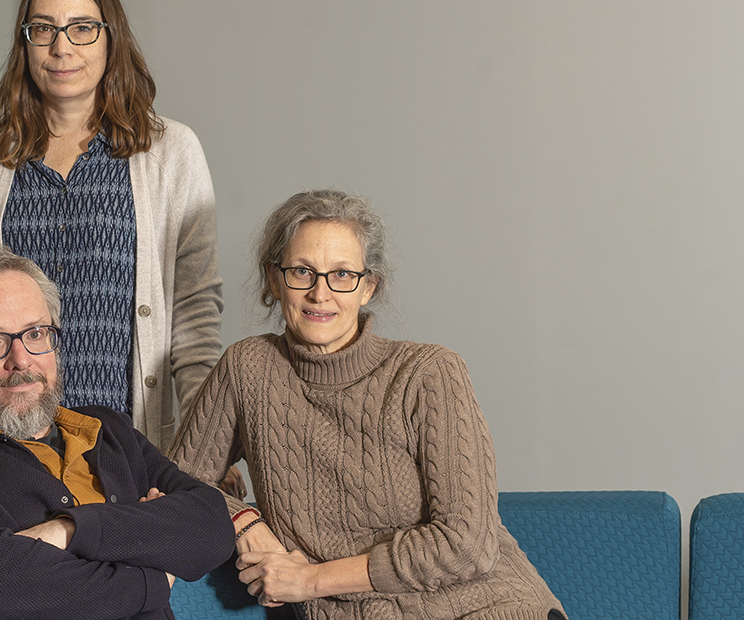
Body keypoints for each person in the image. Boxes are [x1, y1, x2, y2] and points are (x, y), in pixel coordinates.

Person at [169, 190, 566, 620]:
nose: (321, 293)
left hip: (488, 606)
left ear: (369, 287)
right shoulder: (249, 369)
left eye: (342, 275)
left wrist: (310, 580)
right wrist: (244, 520)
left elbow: (466, 545)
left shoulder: (430, 373)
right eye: (302, 271)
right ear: (273, 278)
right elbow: (172, 482)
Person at [0, 247, 235, 620]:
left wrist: (69, 530)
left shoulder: (109, 430)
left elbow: (212, 524)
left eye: (36, 333)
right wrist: (153, 572)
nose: (21, 360)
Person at [0, 0, 223, 454]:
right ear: (24, 42)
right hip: (7, 439)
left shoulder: (172, 152)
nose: (62, 47)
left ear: (110, 38)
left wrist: (206, 445)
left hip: (126, 437)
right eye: (44, 30)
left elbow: (195, 313)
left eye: (82, 28)